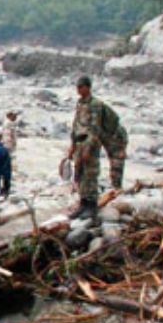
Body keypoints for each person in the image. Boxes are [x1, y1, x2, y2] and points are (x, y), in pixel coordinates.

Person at [65, 76, 123, 219]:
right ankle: (83, 203)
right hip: (79, 141)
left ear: (87, 87)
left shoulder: (95, 104)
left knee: (90, 174)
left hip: (90, 143)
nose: (78, 90)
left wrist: (89, 148)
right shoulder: (80, 103)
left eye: (80, 87)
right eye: (77, 87)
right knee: (80, 174)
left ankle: (91, 205)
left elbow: (95, 128)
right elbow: (76, 124)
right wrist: (72, 145)